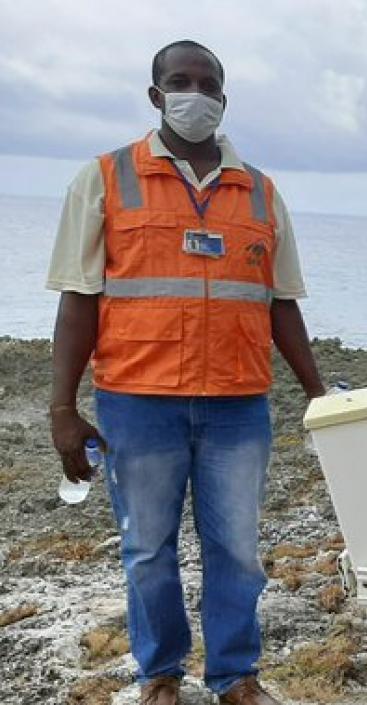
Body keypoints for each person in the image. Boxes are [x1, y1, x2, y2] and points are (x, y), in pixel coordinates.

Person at [46, 40, 325, 705]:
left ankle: (235, 675)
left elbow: (280, 302)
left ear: (223, 98)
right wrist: (62, 406)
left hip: (237, 404)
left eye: (208, 83)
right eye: (180, 80)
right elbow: (78, 297)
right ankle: (161, 674)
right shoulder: (105, 178)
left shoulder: (259, 190)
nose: (194, 92)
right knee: (147, 549)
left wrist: (318, 391)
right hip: (138, 403)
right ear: (155, 94)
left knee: (237, 550)